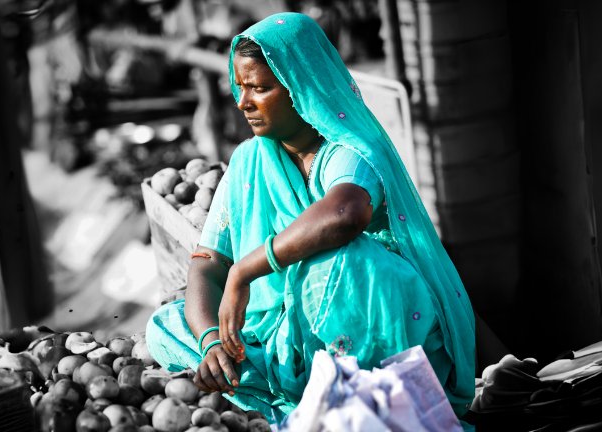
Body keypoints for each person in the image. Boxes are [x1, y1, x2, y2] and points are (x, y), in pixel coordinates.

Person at [145, 12, 478, 425]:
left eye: (259, 88)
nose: (242, 101)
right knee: (168, 323)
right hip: (282, 338)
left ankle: (349, 396)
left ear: (299, 87)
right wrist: (212, 340)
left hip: (365, 323)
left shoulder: (350, 151)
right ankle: (283, 392)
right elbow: (208, 262)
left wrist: (245, 271)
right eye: (240, 86)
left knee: (343, 262)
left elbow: (346, 212)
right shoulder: (251, 161)